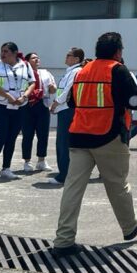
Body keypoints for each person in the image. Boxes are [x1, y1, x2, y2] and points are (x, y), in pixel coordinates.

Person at [52, 32, 137, 257]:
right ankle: (130, 227)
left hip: (79, 136)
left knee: (72, 188)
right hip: (108, 136)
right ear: (118, 52)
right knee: (117, 185)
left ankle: (63, 240)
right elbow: (134, 101)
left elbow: (72, 101)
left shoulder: (83, 70)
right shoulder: (118, 70)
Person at [0, 42, 32, 180]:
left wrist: (24, 96)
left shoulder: (25, 65)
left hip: (19, 106)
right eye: (2, 51)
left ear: (15, 53)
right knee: (1, 137)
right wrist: (7, 96)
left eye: (6, 51)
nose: (2, 54)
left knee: (12, 138)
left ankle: (6, 168)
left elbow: (32, 83)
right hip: (0, 106)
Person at [46, 48, 86, 186]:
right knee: (64, 143)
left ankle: (63, 175)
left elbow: (67, 91)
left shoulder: (76, 71)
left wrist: (55, 104)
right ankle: (66, 173)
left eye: (69, 55)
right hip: (64, 109)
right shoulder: (70, 71)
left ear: (76, 59)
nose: (66, 57)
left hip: (67, 110)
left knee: (63, 143)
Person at [21, 52, 57, 173]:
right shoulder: (23, 73)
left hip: (42, 104)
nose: (37, 60)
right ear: (27, 61)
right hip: (27, 105)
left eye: (37, 58)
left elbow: (53, 90)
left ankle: (41, 160)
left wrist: (52, 88)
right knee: (27, 134)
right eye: (33, 58)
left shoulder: (45, 73)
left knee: (43, 134)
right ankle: (27, 161)